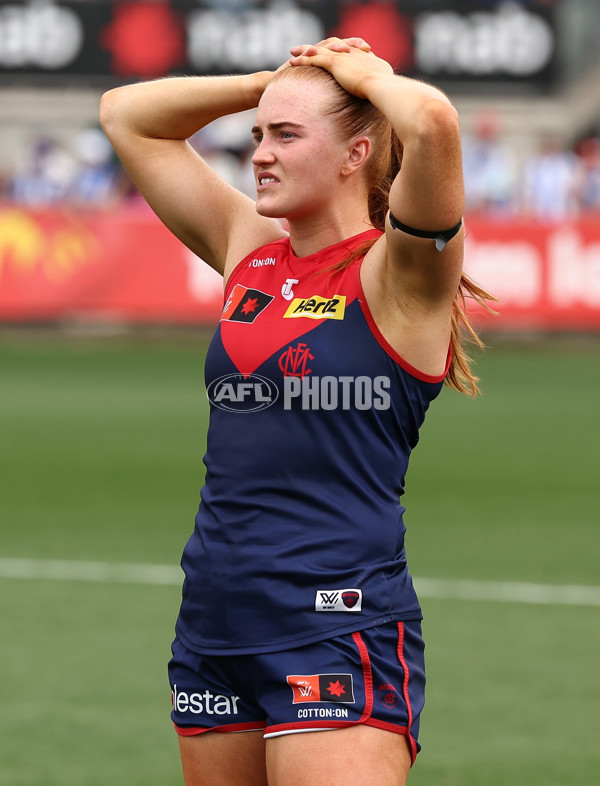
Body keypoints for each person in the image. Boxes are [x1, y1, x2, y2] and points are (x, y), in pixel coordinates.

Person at [100, 36, 491, 786]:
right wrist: (270, 83)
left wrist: (364, 75)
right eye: (256, 136)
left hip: (336, 621)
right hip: (216, 615)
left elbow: (434, 122)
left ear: (357, 155)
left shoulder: (400, 275)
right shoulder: (251, 249)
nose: (259, 154)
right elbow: (127, 115)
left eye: (285, 135)